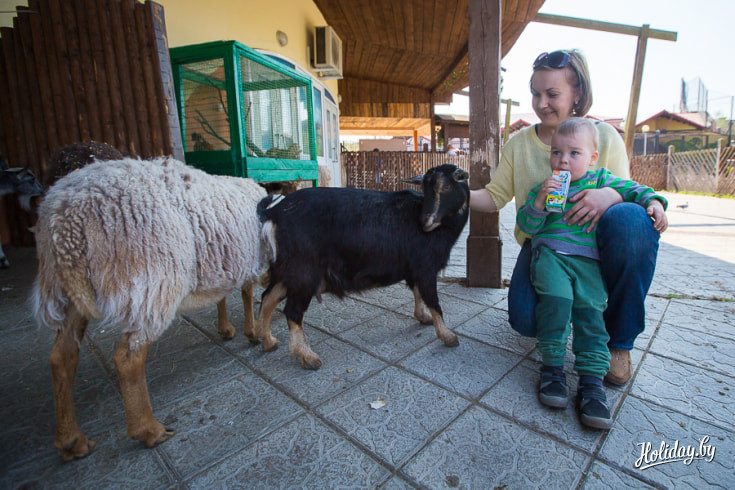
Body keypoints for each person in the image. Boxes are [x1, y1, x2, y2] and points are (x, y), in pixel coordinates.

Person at [470, 49, 663, 386]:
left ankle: (618, 341)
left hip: (593, 242)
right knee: (526, 319)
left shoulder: (604, 136)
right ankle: (571, 310)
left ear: (577, 94)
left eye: (552, 94)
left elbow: (629, 193)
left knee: (633, 223)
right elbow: (495, 197)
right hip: (547, 243)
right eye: (535, 93)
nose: (541, 103)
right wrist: (455, 194)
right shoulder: (518, 143)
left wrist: (609, 195)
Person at [516, 118, 668, 429]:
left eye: (574, 153)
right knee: (555, 305)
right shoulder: (544, 187)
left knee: (590, 314)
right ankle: (552, 368)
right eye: (557, 153)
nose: (563, 160)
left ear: (592, 158)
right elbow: (527, 227)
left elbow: (635, 189)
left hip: (588, 263)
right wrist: (540, 202)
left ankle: (592, 381)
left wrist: (654, 202)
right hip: (552, 257)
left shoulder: (601, 180)